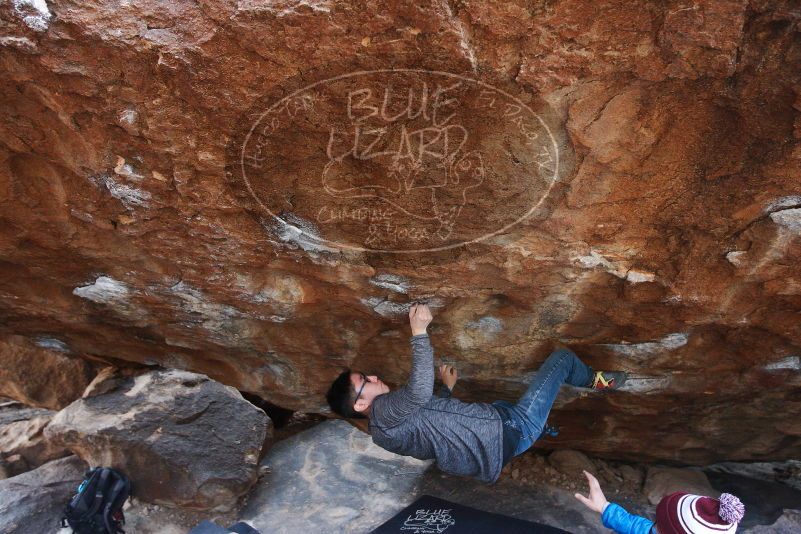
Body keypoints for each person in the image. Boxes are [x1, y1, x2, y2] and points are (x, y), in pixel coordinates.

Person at [326, 303, 627, 483]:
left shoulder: (382, 432)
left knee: (497, 404)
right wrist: (419, 331)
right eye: (365, 379)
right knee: (560, 360)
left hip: (495, 450)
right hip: (511, 430)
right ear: (361, 402)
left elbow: (427, 426)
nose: (374, 376)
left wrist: (447, 389)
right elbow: (417, 393)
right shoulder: (384, 409)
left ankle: (545, 427)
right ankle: (595, 381)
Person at [574, 470, 746, 533]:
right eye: (658, 523)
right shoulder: (653, 531)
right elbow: (636, 526)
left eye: (660, 529)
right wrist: (604, 506)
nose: (654, 528)